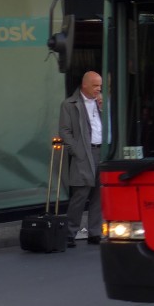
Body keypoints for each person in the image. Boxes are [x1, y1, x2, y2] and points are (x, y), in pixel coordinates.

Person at [58, 71, 104, 246]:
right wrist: (76, 150)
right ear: (84, 85)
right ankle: (70, 233)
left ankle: (95, 232)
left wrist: (104, 108)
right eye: (95, 85)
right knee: (80, 193)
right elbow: (64, 130)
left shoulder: (102, 102)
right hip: (84, 152)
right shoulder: (70, 104)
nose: (98, 89)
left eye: (100, 85)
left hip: (102, 151)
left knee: (99, 194)